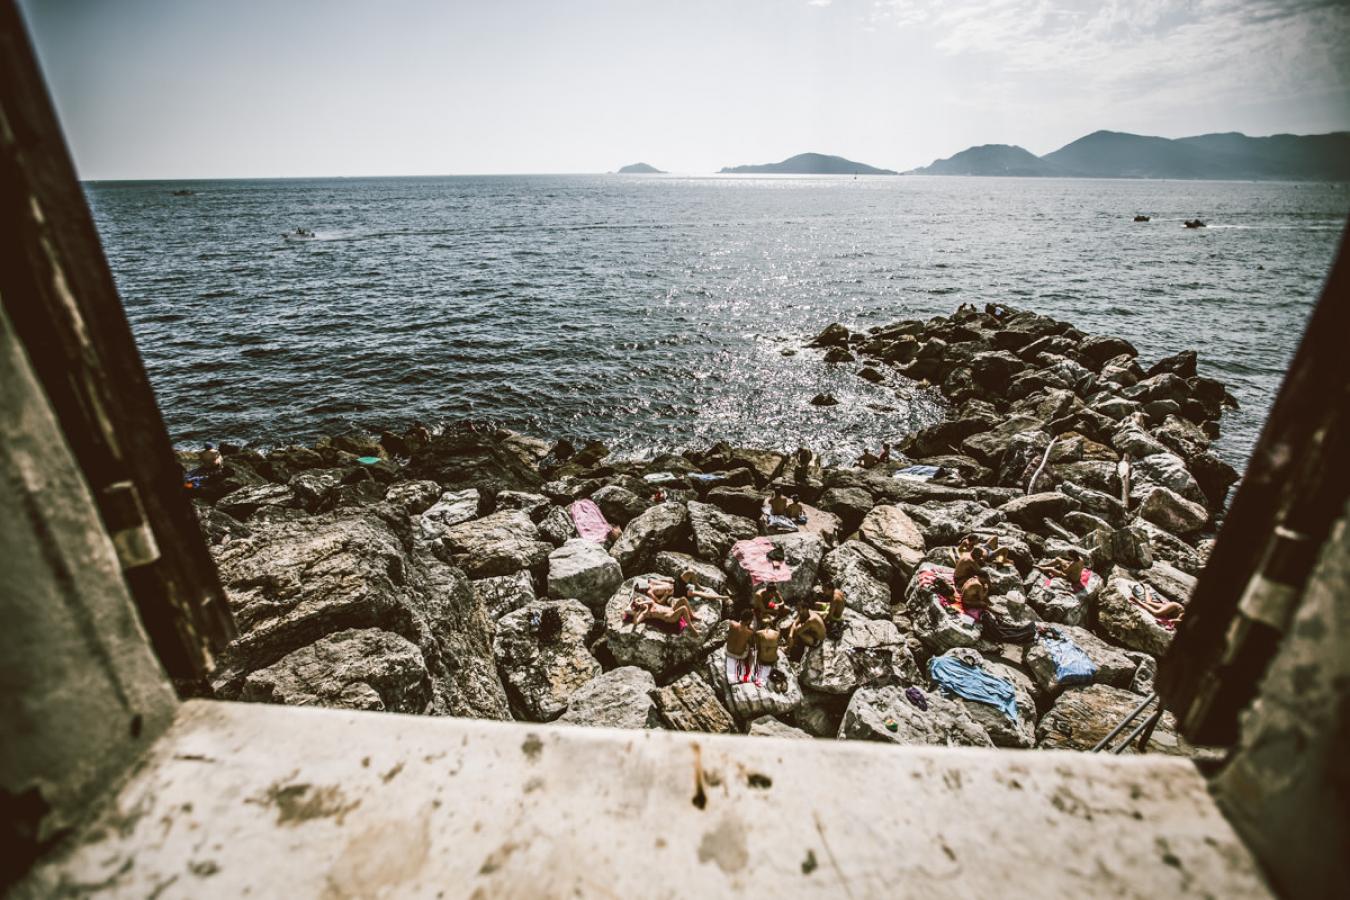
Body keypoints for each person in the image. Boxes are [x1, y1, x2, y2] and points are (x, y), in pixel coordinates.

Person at [725, 609, 757, 683]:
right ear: (749, 621)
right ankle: (747, 672)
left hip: (728, 652)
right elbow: (752, 642)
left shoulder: (731, 623)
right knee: (752, 648)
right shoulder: (749, 632)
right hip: (739, 655)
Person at [753, 621, 781, 686]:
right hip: (772, 660)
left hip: (762, 660)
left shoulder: (759, 633)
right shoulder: (777, 633)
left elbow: (755, 646)